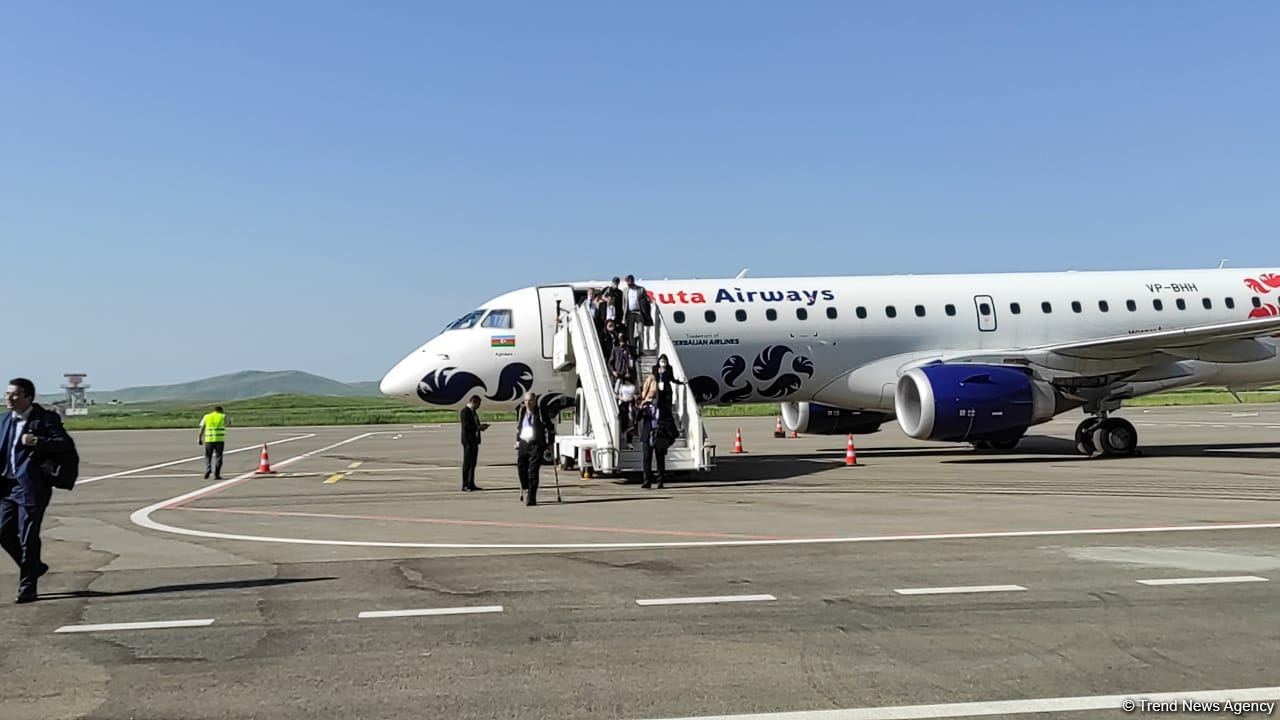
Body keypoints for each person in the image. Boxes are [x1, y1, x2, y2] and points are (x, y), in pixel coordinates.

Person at [1, 378, 71, 603]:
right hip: (7, 487)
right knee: (3, 532)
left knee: (28, 536)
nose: (9, 398)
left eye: (15, 394)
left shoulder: (45, 419)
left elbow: (63, 443)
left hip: (32, 487)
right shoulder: (3, 421)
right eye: (7, 393)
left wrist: (37, 441)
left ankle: (28, 587)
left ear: (28, 398)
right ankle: (34, 567)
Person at [514, 392, 554, 506]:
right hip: (523, 443)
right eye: (526, 401)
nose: (528, 403)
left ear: (535, 401)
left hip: (536, 444)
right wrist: (517, 440)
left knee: (533, 471)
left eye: (530, 401)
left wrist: (550, 443)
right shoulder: (522, 411)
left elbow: (550, 427)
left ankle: (531, 497)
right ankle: (526, 486)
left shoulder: (540, 412)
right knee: (521, 467)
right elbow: (519, 427)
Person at [637, 400, 676, 489]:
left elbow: (669, 419)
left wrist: (662, 425)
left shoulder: (663, 408)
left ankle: (660, 481)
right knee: (647, 458)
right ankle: (647, 481)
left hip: (659, 434)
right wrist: (641, 408)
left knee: (660, 458)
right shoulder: (646, 408)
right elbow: (637, 418)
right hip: (647, 435)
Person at [458, 395, 489, 491]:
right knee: (467, 463)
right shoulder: (465, 412)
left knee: (473, 463)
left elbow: (474, 425)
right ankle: (465, 484)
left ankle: (471, 483)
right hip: (468, 441)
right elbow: (466, 426)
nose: (479, 406)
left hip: (474, 441)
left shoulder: (473, 412)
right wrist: (478, 427)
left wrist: (481, 428)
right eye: (478, 404)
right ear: (473, 402)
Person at [197, 405, 228, 480]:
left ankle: (208, 468)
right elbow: (228, 423)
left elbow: (202, 428)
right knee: (219, 457)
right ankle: (216, 474)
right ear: (221, 410)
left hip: (209, 440)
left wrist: (199, 438)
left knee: (208, 456)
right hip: (219, 440)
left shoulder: (206, 416)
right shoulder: (223, 416)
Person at [623, 274, 652, 351]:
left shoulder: (641, 289)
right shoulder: (625, 290)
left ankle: (641, 349)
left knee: (640, 330)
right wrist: (624, 316)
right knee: (630, 332)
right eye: (627, 282)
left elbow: (646, 300)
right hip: (630, 313)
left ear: (632, 281)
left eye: (629, 282)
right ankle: (632, 348)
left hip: (639, 312)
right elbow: (624, 303)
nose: (628, 284)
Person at [616, 374, 638, 449]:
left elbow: (637, 393)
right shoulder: (620, 383)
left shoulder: (634, 383)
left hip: (631, 404)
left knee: (631, 423)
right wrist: (621, 398)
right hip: (622, 404)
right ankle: (621, 439)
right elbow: (615, 393)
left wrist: (635, 397)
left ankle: (629, 442)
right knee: (623, 422)